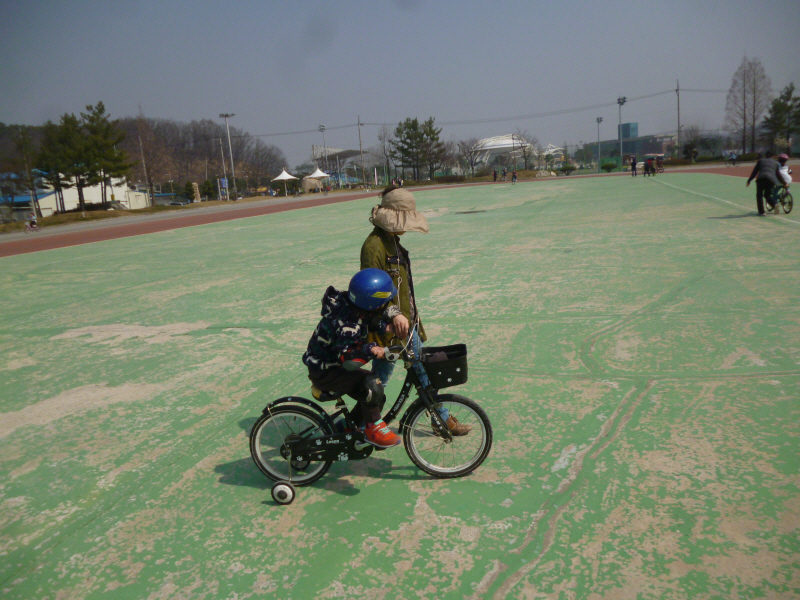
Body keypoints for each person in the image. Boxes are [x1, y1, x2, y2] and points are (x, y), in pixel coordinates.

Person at [360, 186, 471, 436]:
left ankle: (441, 419)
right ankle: (364, 423)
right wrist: (393, 313)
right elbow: (370, 292)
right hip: (387, 330)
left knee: (423, 372)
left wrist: (409, 318)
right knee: (380, 381)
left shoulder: (392, 242)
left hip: (407, 326)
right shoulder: (374, 246)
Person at [303, 268, 403, 448]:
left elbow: (366, 319)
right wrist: (372, 349)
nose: (383, 307)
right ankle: (373, 429)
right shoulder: (347, 324)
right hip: (326, 371)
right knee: (372, 384)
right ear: (371, 303)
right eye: (382, 303)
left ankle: (347, 429)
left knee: (376, 396)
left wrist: (385, 327)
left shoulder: (350, 306)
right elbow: (348, 358)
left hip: (330, 366)